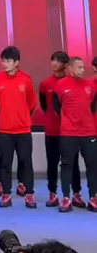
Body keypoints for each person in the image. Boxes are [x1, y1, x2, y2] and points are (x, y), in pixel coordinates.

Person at [0, 45, 36, 209]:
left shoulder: (26, 79)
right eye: (3, 61)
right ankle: (6, 195)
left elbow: (31, 103)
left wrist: (21, 117)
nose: (4, 64)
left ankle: (29, 194)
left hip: (23, 130)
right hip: (4, 130)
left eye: (8, 61)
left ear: (16, 62)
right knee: (5, 164)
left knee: (26, 162)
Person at [52, 56, 97, 212]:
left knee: (93, 164)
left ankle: (93, 197)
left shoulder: (90, 85)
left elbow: (93, 106)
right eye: (79, 67)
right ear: (70, 68)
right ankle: (66, 198)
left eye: (83, 67)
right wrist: (68, 119)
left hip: (88, 132)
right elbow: (56, 106)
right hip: (68, 133)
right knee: (67, 165)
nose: (82, 70)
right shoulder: (60, 85)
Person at [40, 52, 84, 209]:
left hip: (70, 132)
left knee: (73, 164)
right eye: (52, 60)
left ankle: (76, 194)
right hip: (52, 131)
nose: (54, 64)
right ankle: (52, 194)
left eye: (58, 61)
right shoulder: (45, 84)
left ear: (66, 65)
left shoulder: (73, 83)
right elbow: (44, 105)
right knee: (52, 163)